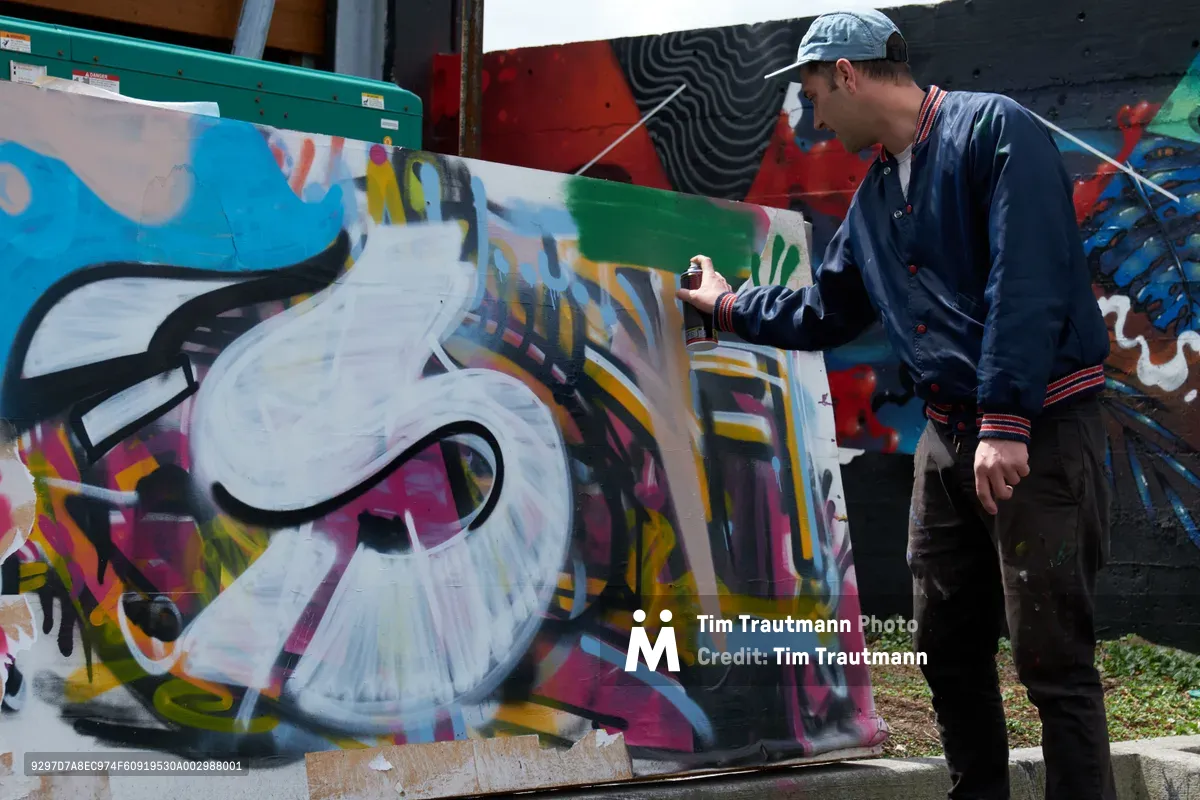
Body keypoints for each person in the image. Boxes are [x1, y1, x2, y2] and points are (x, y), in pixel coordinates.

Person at [676, 8, 1116, 800]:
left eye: (815, 94)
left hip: (1038, 429)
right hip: (948, 441)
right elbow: (828, 310)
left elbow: (1031, 279)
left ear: (847, 74)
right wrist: (727, 306)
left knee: (1053, 661)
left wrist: (1007, 420)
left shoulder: (995, 132)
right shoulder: (877, 196)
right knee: (946, 648)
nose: (813, 117)